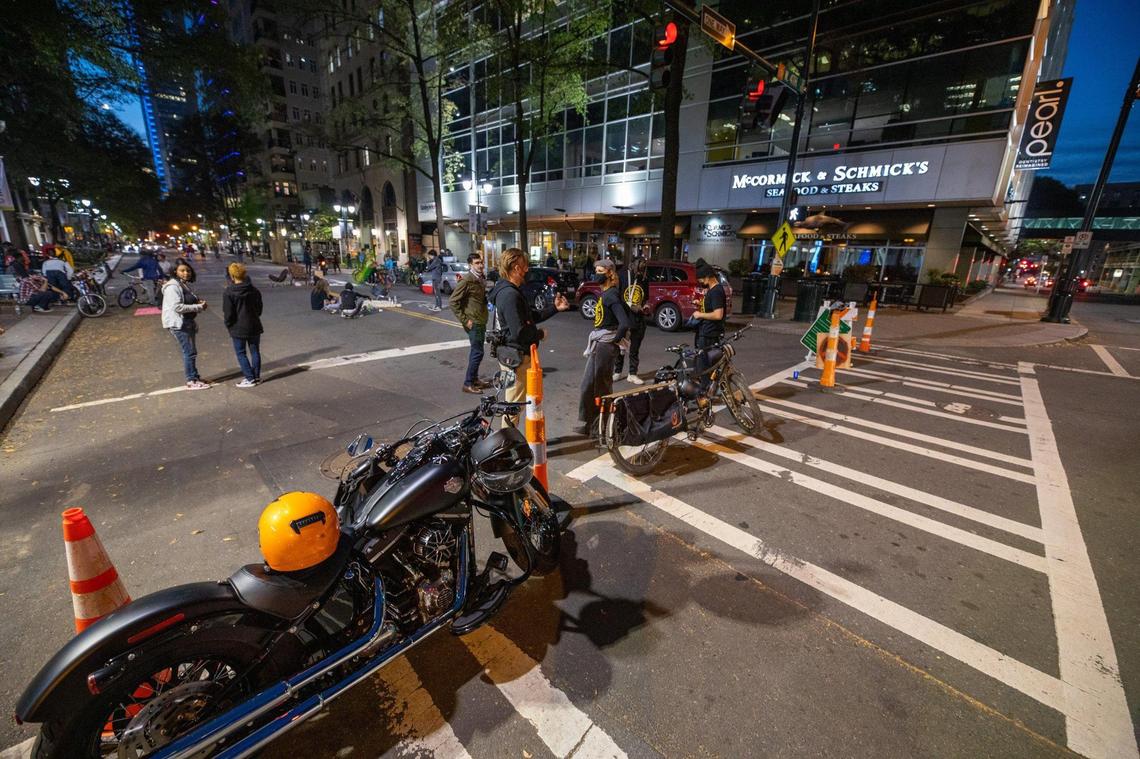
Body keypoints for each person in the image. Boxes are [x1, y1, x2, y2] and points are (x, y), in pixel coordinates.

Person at [487, 247, 570, 427]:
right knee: (513, 406)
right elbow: (520, 332)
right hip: (516, 358)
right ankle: (507, 441)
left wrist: (555, 308)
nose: (527, 270)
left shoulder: (508, 290)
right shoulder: (510, 294)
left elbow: (529, 318)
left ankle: (509, 438)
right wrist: (540, 334)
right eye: (525, 266)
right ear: (516, 268)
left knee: (513, 402)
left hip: (510, 355)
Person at [577, 258, 631, 435]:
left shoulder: (612, 295)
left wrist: (614, 340)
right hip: (599, 344)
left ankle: (602, 426)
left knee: (602, 388)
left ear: (609, 273)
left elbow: (624, 323)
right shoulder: (606, 293)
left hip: (605, 346)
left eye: (600, 271)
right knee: (587, 385)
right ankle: (590, 423)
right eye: (596, 271)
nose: (596, 275)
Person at [161, 262, 210, 390]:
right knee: (189, 352)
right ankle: (191, 380)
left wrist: (198, 302)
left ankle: (195, 377)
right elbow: (177, 307)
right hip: (179, 324)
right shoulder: (172, 287)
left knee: (191, 352)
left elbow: (187, 300)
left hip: (187, 322)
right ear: (175, 271)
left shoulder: (183, 284)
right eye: (182, 270)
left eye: (188, 270)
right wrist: (198, 307)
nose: (186, 273)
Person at [449, 253, 489, 394]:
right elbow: (453, 302)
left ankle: (475, 379)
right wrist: (466, 320)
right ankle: (468, 383)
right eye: (477, 263)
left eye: (481, 262)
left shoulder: (480, 278)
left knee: (478, 351)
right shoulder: (466, 280)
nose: (481, 265)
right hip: (474, 322)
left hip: (481, 319)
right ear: (470, 265)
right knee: (477, 352)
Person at [222, 263, 264, 387]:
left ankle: (249, 378)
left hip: (238, 327)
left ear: (232, 276)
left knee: (241, 353)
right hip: (254, 324)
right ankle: (256, 376)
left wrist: (229, 325)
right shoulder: (254, 290)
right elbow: (259, 309)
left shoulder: (229, 292)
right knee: (255, 351)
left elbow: (228, 313)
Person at [614, 257, 649, 384]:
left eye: (643, 270)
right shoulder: (622, 275)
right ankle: (617, 372)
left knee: (634, 349)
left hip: (638, 319)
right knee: (620, 347)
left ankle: (632, 374)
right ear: (633, 265)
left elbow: (645, 297)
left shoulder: (643, 278)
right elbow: (616, 295)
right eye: (639, 269)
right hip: (623, 317)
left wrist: (645, 306)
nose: (641, 273)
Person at [690, 264, 727, 349]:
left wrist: (699, 315)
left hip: (710, 334)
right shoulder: (712, 290)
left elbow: (718, 315)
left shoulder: (716, 291)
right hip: (707, 332)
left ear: (707, 277)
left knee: (705, 357)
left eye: (701, 281)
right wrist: (700, 303)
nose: (701, 283)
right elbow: (712, 306)